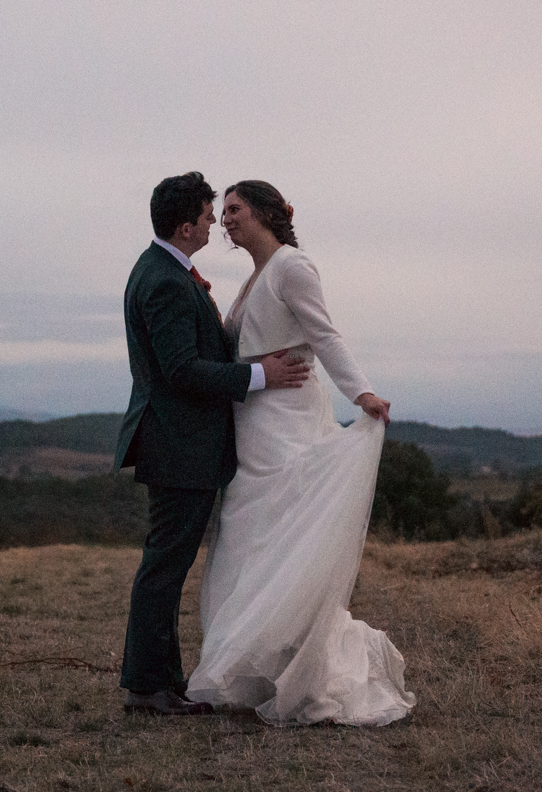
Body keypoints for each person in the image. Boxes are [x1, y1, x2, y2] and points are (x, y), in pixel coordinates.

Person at [185, 180, 416, 725]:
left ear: (267, 212)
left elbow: (325, 335)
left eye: (235, 209)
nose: (226, 220)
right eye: (223, 212)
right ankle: (253, 667)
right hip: (253, 421)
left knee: (283, 535)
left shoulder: (293, 266)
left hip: (287, 420)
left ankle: (297, 668)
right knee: (249, 536)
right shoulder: (255, 276)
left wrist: (360, 393)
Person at [114, 172, 309, 716]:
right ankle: (147, 688)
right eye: (206, 217)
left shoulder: (162, 270)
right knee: (164, 569)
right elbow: (181, 370)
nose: (213, 225)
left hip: (179, 444)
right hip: (179, 446)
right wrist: (261, 376)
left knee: (167, 566)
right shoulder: (165, 281)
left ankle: (161, 680)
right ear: (184, 227)